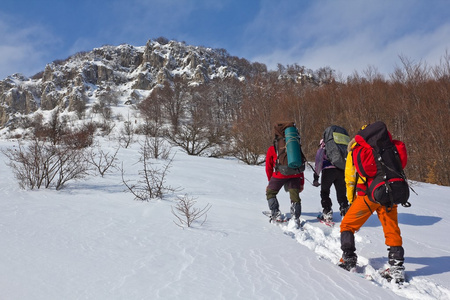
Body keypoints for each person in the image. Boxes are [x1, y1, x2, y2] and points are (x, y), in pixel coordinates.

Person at [338, 125, 406, 283]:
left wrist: (351, 199)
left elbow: (350, 177)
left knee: (347, 225)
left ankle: (349, 259)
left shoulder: (358, 148)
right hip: (390, 193)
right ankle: (397, 266)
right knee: (391, 229)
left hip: (368, 195)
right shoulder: (389, 146)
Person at [265, 144, 304, 222]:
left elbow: (268, 167)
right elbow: (300, 164)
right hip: (295, 175)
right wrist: (301, 182)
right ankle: (295, 217)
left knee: (270, 193)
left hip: (279, 174)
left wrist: (270, 181)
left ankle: (276, 213)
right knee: (295, 197)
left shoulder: (273, 148)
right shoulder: (295, 147)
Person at [313, 139, 349, 222]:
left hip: (328, 172)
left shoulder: (322, 149)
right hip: (341, 171)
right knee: (342, 193)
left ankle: (327, 211)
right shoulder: (339, 148)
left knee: (325, 192)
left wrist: (316, 177)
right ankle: (345, 212)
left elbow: (318, 163)